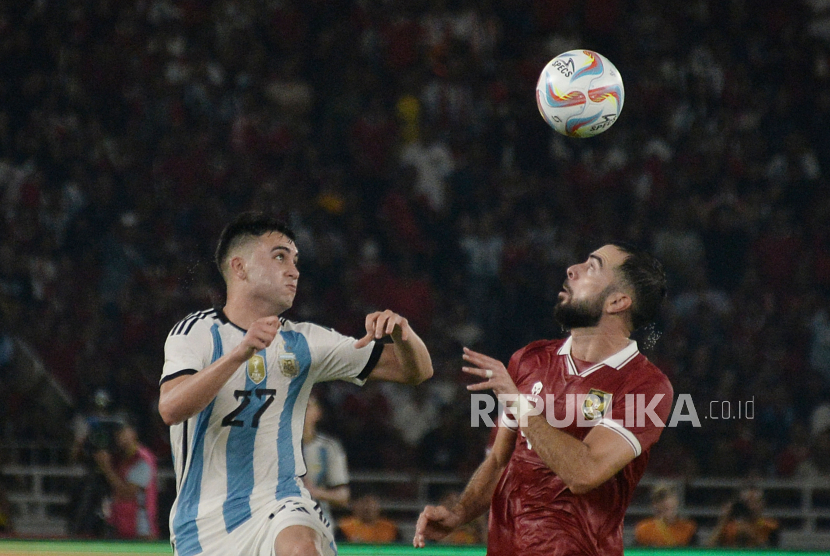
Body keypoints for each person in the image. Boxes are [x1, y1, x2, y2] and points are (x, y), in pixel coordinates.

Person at [158, 212, 433, 556]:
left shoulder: (304, 341)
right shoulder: (195, 332)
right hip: (203, 523)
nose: (294, 270)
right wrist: (239, 354)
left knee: (302, 547)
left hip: (280, 501)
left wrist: (404, 335)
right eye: (279, 257)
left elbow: (417, 371)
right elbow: (170, 409)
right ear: (239, 268)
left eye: (295, 260)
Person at [414, 243, 673, 555]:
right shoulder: (530, 359)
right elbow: (500, 461)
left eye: (592, 267)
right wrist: (460, 513)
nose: (572, 269)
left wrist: (520, 404)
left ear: (618, 301)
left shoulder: (646, 386)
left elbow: (584, 472)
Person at [93, 418, 159, 539]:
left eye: (123, 432)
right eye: (117, 433)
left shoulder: (142, 459)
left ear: (133, 433)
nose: (119, 436)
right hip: (121, 524)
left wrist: (106, 468)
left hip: (141, 527)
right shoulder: (122, 457)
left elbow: (127, 493)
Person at [302, 392, 350, 526]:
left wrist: (315, 492)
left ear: (318, 413)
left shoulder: (329, 448)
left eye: (306, 407)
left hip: (319, 521)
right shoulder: (279, 445)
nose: (300, 411)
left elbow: (343, 496)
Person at [708, 485, 779, 547]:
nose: (752, 506)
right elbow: (709, 547)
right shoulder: (730, 527)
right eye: (748, 502)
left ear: (763, 503)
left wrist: (752, 535)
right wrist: (723, 519)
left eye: (755, 501)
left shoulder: (770, 525)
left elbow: (776, 549)